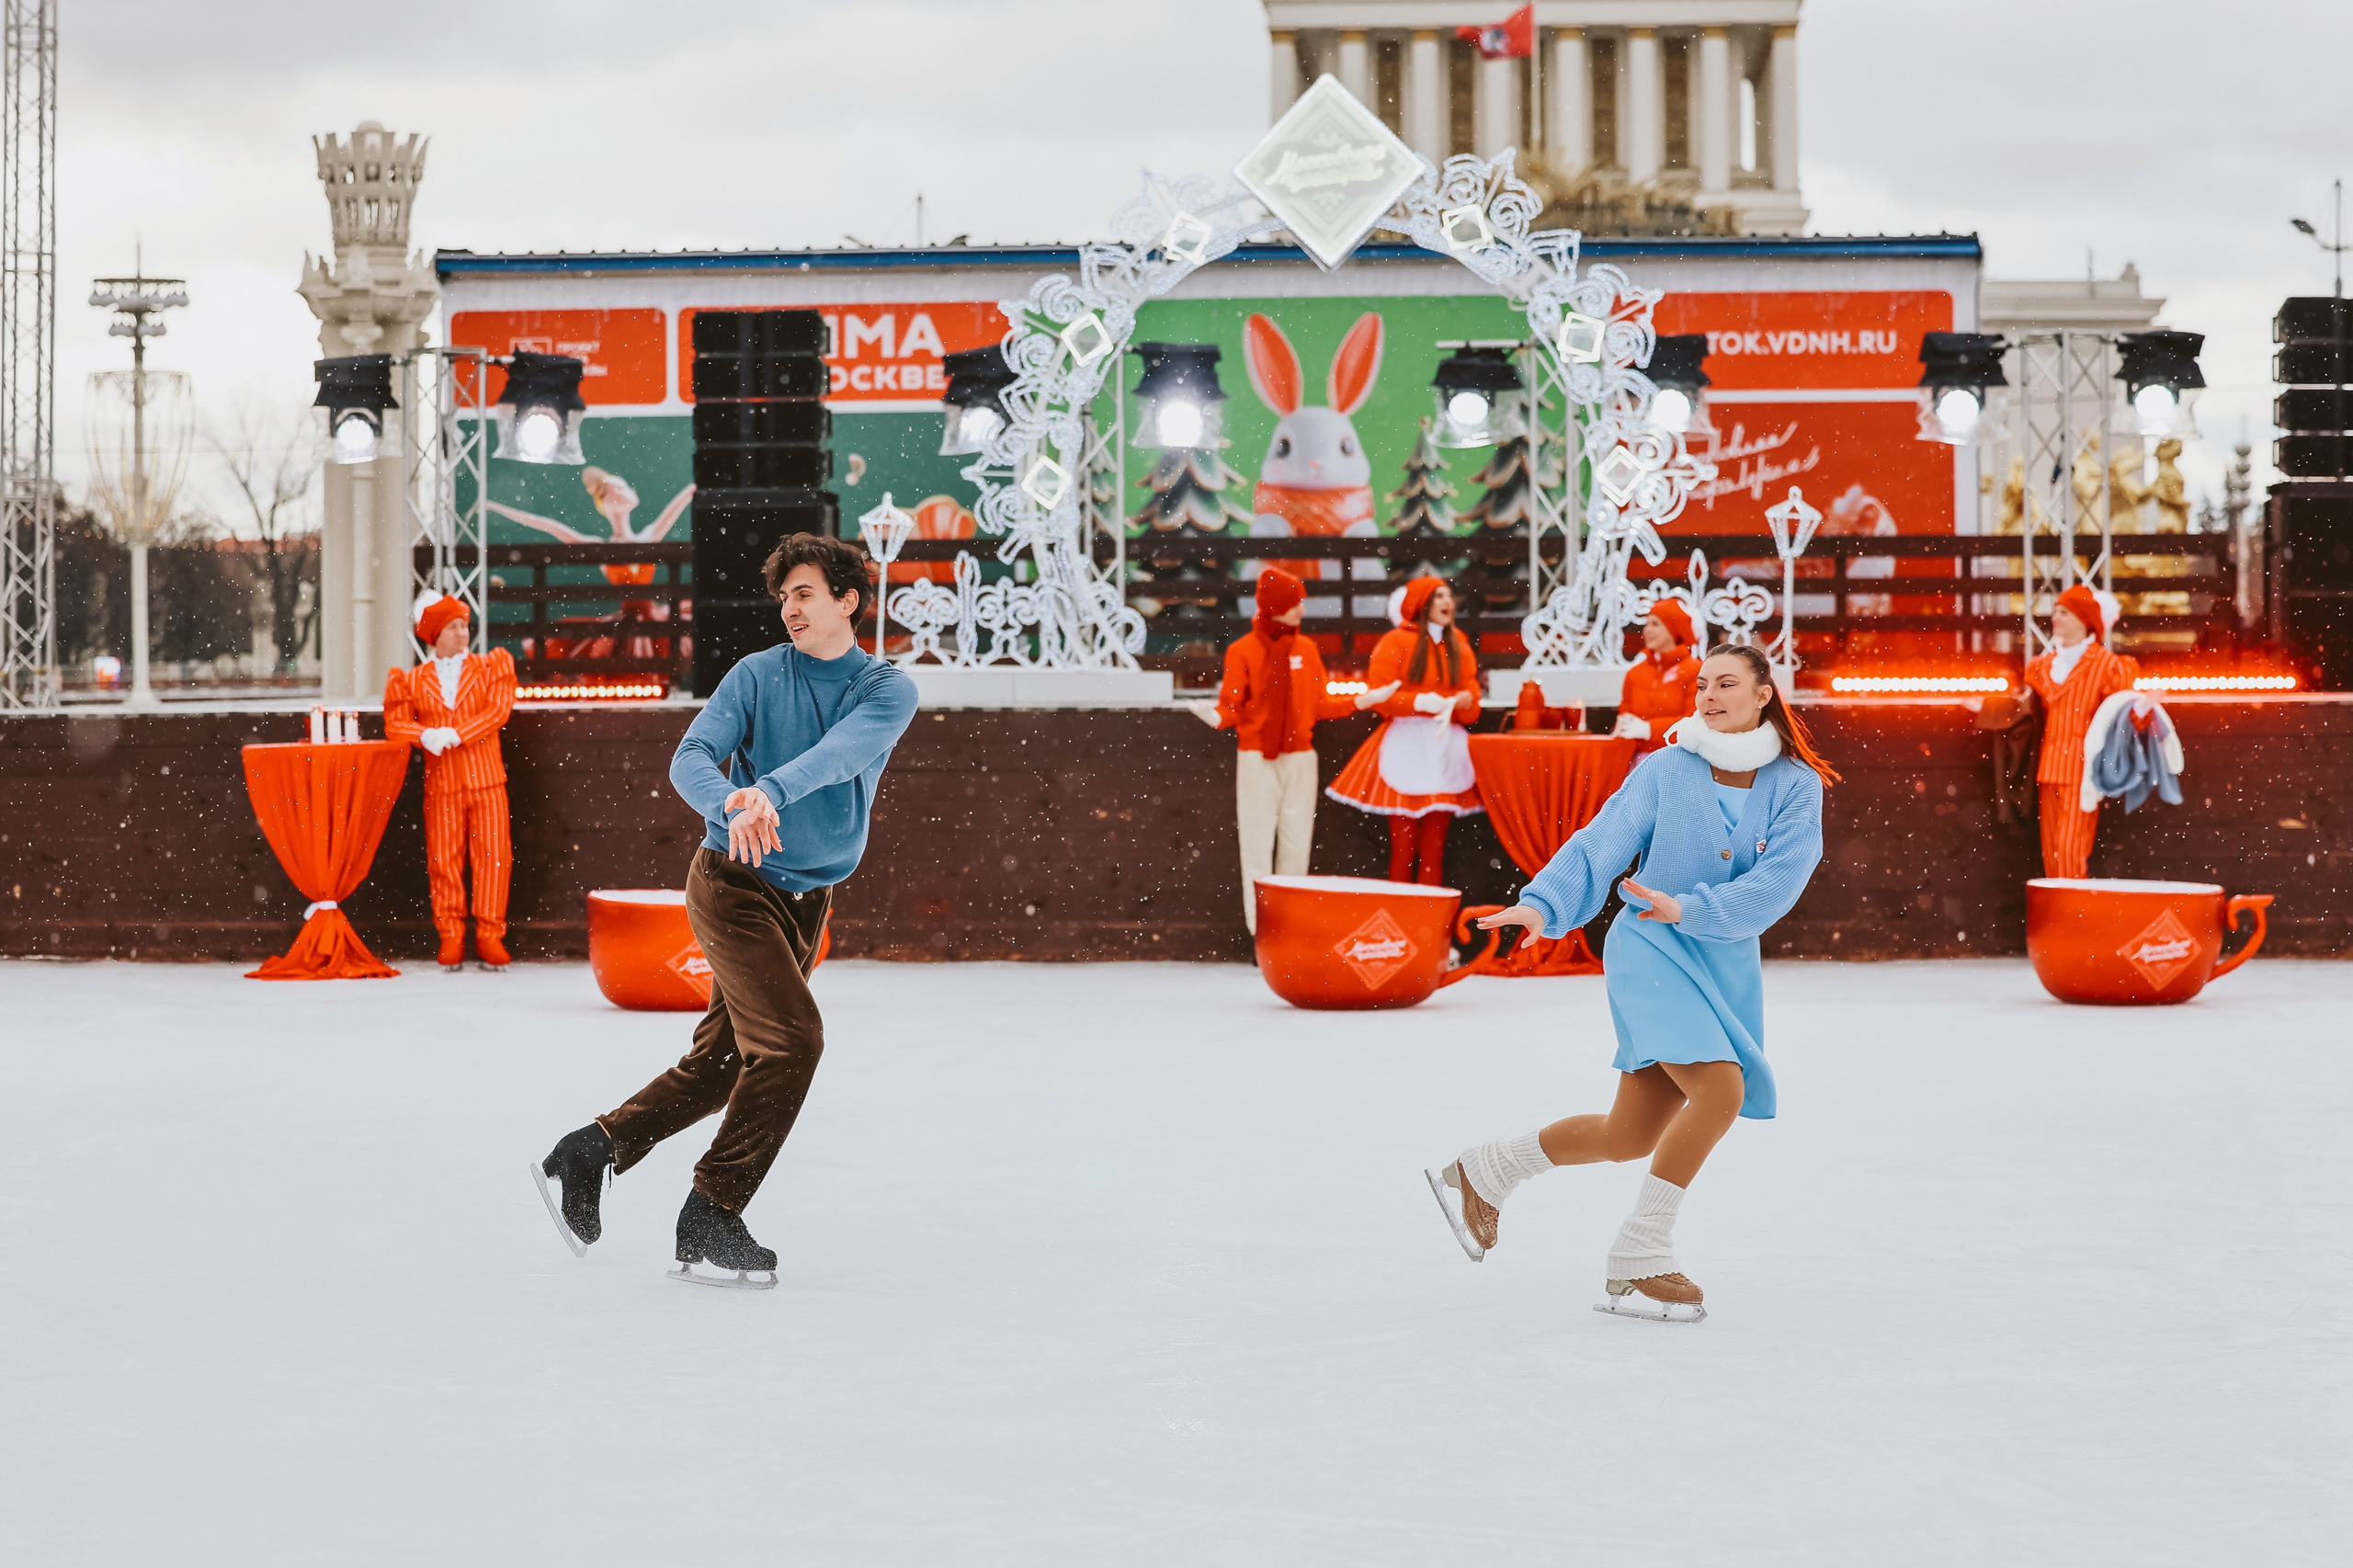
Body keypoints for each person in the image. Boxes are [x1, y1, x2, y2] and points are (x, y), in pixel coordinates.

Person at [532, 533, 917, 1289]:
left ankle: (593, 1147)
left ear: (848, 599)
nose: (790, 610)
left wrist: (767, 790)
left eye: (804, 593)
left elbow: (840, 754)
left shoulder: (885, 689)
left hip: (805, 901)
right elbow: (689, 759)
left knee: (722, 1066)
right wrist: (733, 805)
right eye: (783, 598)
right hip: (731, 884)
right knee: (794, 1042)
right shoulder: (755, 675)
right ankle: (713, 1207)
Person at [1426, 644, 1838, 1321]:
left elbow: (1779, 880)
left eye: (1727, 684)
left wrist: (1698, 908)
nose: (1708, 695)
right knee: (1720, 1089)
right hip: (1650, 949)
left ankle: (1488, 1169)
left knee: (1630, 1133)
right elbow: (1601, 841)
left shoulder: (1796, 786)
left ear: (1765, 694)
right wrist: (1543, 904)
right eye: (1702, 684)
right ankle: (1643, 1250)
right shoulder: (1666, 769)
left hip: (1722, 962)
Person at [1188, 568, 1398, 932]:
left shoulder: (1306, 650)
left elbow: (1319, 705)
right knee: (1255, 847)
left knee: (1296, 846)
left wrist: (1362, 700)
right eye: (1295, 604)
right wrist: (1216, 718)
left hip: (1301, 757)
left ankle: (1286, 930)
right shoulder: (1243, 652)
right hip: (1257, 758)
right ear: (1276, 607)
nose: (1302, 611)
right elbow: (1232, 706)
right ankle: (1261, 932)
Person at [381, 595, 517, 972]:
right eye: (455, 626)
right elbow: (395, 724)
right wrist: (424, 735)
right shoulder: (410, 679)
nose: (464, 632)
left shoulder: (491, 666)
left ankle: (490, 934)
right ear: (436, 634)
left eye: (464, 625)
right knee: (444, 860)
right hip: (442, 784)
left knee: (493, 856)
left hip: (487, 780)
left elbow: (498, 710)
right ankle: (451, 934)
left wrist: (457, 734)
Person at [1324, 577, 1482, 885]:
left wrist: (1464, 702)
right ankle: (1402, 919)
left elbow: (1471, 707)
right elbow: (1382, 698)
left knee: (1435, 848)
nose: (1447, 602)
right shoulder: (1395, 643)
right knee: (1403, 847)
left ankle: (1431, 923)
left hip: (1444, 750)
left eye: (1449, 595)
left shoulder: (1459, 646)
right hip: (1407, 748)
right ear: (1422, 603)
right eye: (1438, 596)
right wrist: (1420, 701)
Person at [2024, 585, 2138, 879]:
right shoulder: (2042, 667)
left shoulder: (2107, 666)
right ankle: (2062, 917)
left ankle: (2073, 917)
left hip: (2082, 769)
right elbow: (2023, 712)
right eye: (2054, 612)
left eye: (2063, 612)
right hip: (2049, 767)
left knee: (2070, 850)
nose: (2055, 618)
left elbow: (2124, 715)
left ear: (2082, 618)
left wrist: (2142, 711)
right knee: (2052, 852)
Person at [1611, 598, 1700, 754]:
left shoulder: (1696, 671)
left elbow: (1696, 721)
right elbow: (1626, 715)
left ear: (1674, 630)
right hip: (1639, 761)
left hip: (1679, 758)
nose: (1647, 630)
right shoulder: (1635, 673)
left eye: (1655, 624)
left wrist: (1649, 729)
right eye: (1646, 624)